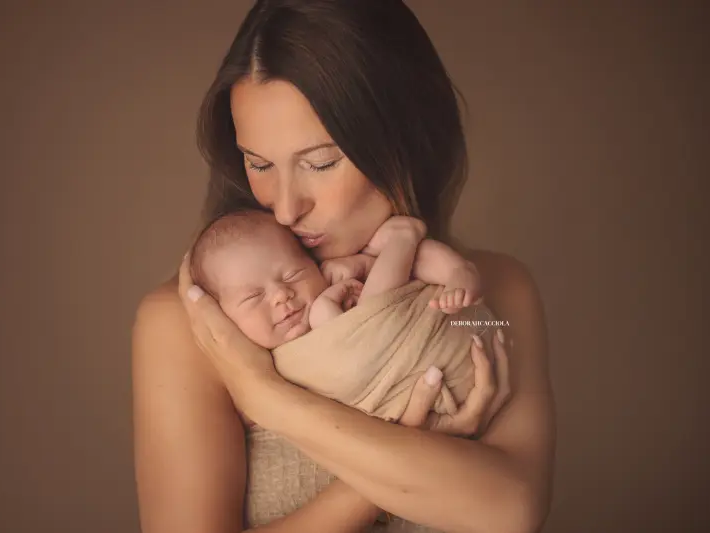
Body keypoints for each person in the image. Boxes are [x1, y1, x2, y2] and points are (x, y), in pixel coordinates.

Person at [131, 1, 556, 532]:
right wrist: (412, 450)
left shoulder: (493, 297)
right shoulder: (195, 324)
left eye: (320, 162)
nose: (286, 208)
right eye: (258, 163)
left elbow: (510, 510)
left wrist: (265, 397)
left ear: (402, 136)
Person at [187, 209, 489, 422]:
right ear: (223, 317)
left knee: (372, 318)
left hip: (450, 344)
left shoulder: (337, 279)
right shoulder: (251, 365)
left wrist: (456, 272)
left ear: (314, 263)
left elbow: (415, 265)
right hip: (415, 405)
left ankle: (403, 238)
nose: (281, 294)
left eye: (293, 274)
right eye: (254, 296)